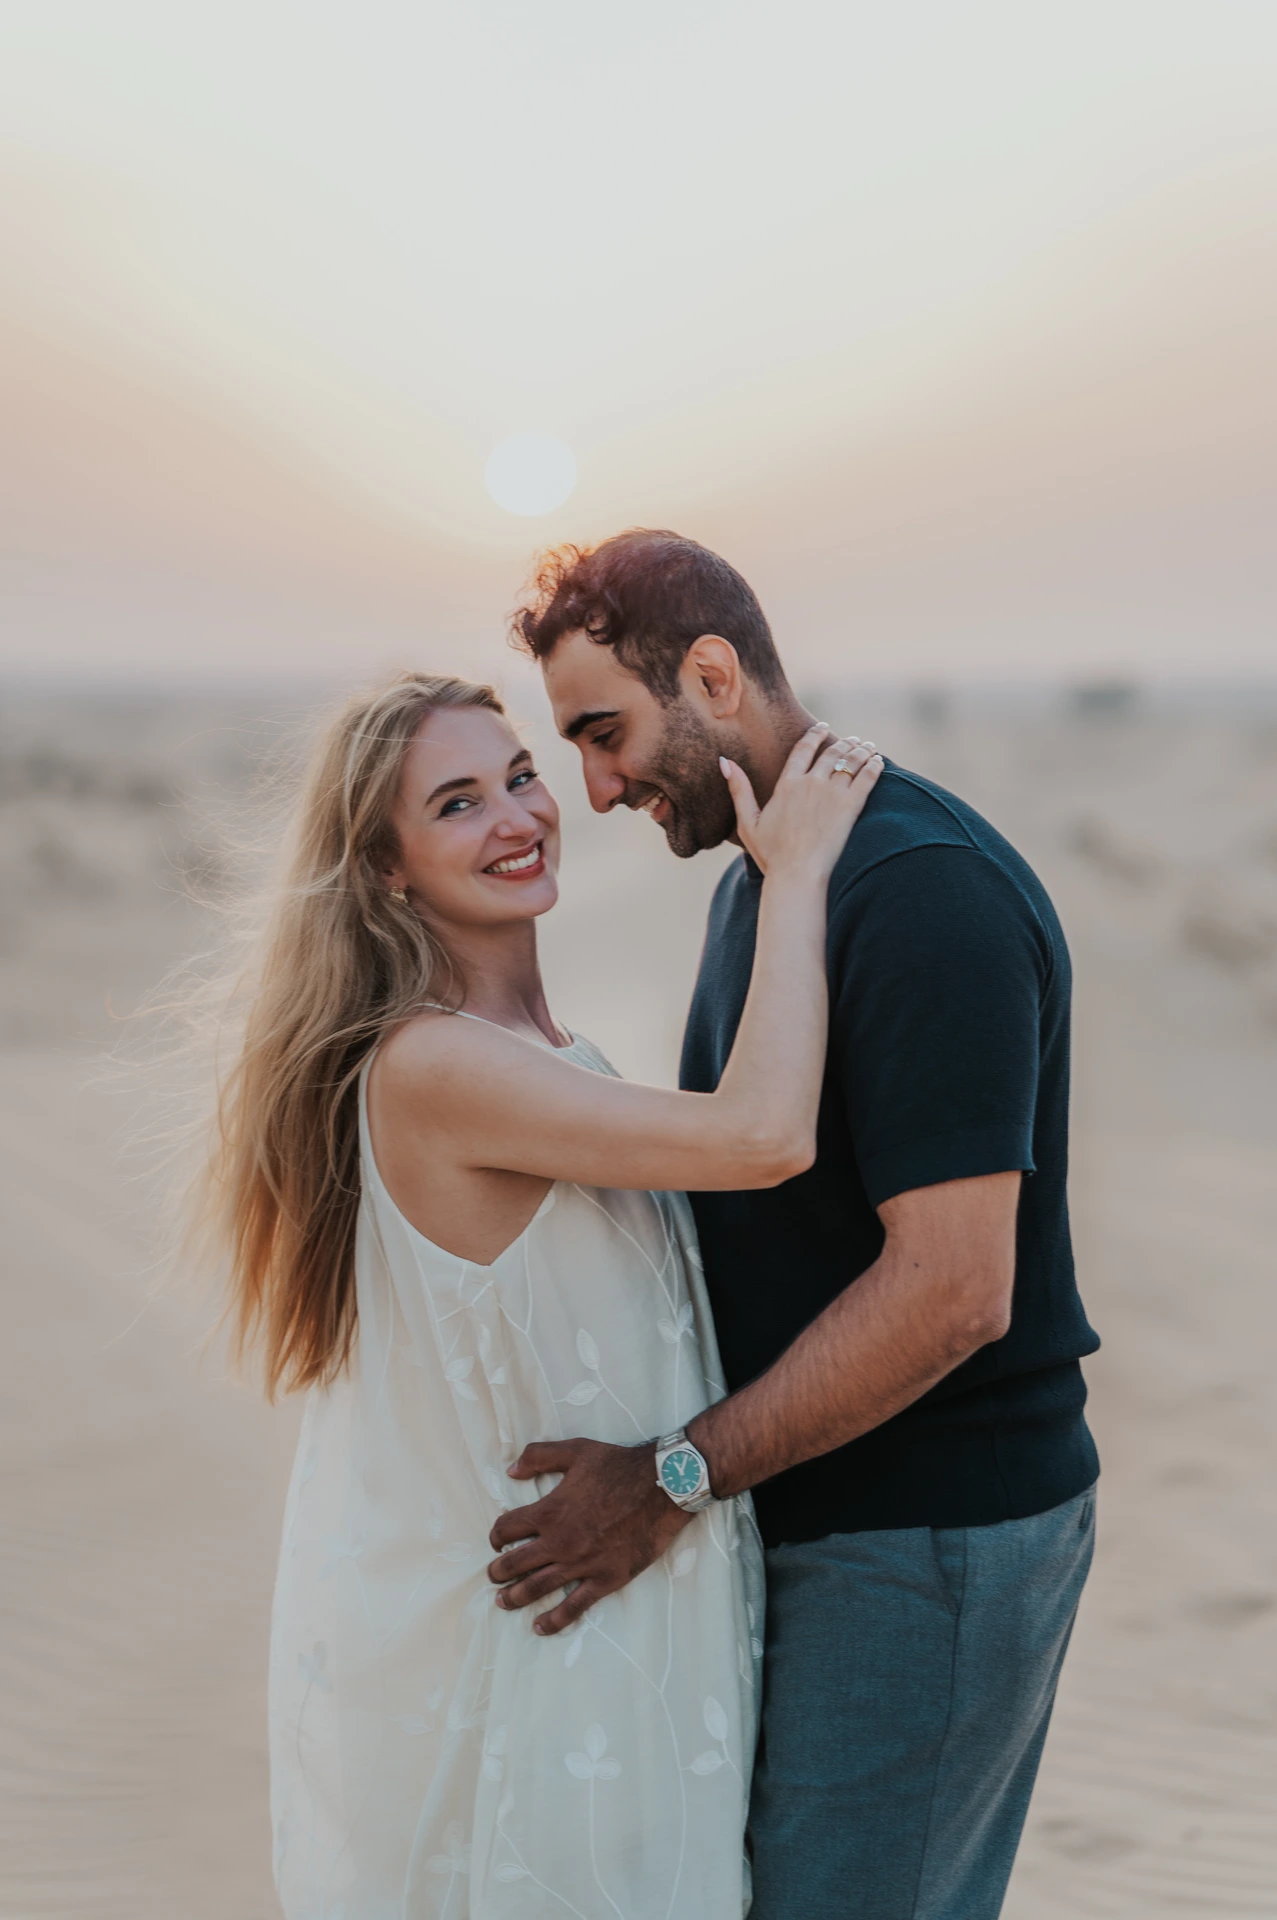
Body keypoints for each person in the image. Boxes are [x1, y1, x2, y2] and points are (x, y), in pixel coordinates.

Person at [191, 669, 881, 1917]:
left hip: (639, 1640)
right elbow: (762, 1134)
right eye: (456, 804)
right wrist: (802, 872)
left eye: (518, 777)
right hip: (562, 1669)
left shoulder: (552, 1062)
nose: (517, 816)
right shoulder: (432, 1066)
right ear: (388, 871)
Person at [496, 529, 1102, 1920]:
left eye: (606, 731)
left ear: (710, 675)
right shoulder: (771, 882)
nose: (592, 787)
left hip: (931, 1540)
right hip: (830, 1522)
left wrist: (671, 1480)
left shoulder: (916, 893)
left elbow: (955, 1290)